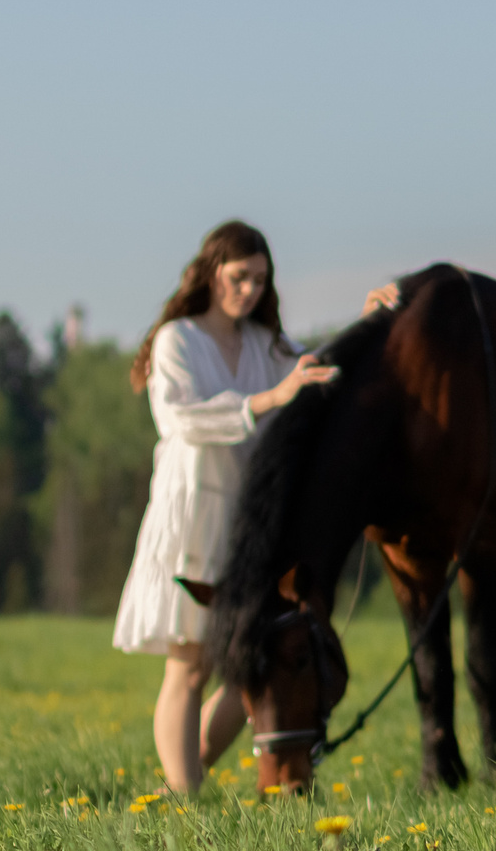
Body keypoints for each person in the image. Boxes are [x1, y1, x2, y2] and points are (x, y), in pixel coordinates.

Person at [111, 220, 392, 793]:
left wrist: (365, 322)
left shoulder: (265, 346)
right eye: (240, 277)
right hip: (191, 515)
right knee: (189, 666)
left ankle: (179, 789)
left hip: (246, 531)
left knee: (248, 666)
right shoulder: (178, 340)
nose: (250, 291)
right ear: (212, 272)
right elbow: (181, 419)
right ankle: (188, 802)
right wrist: (268, 399)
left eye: (260, 280)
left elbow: (315, 372)